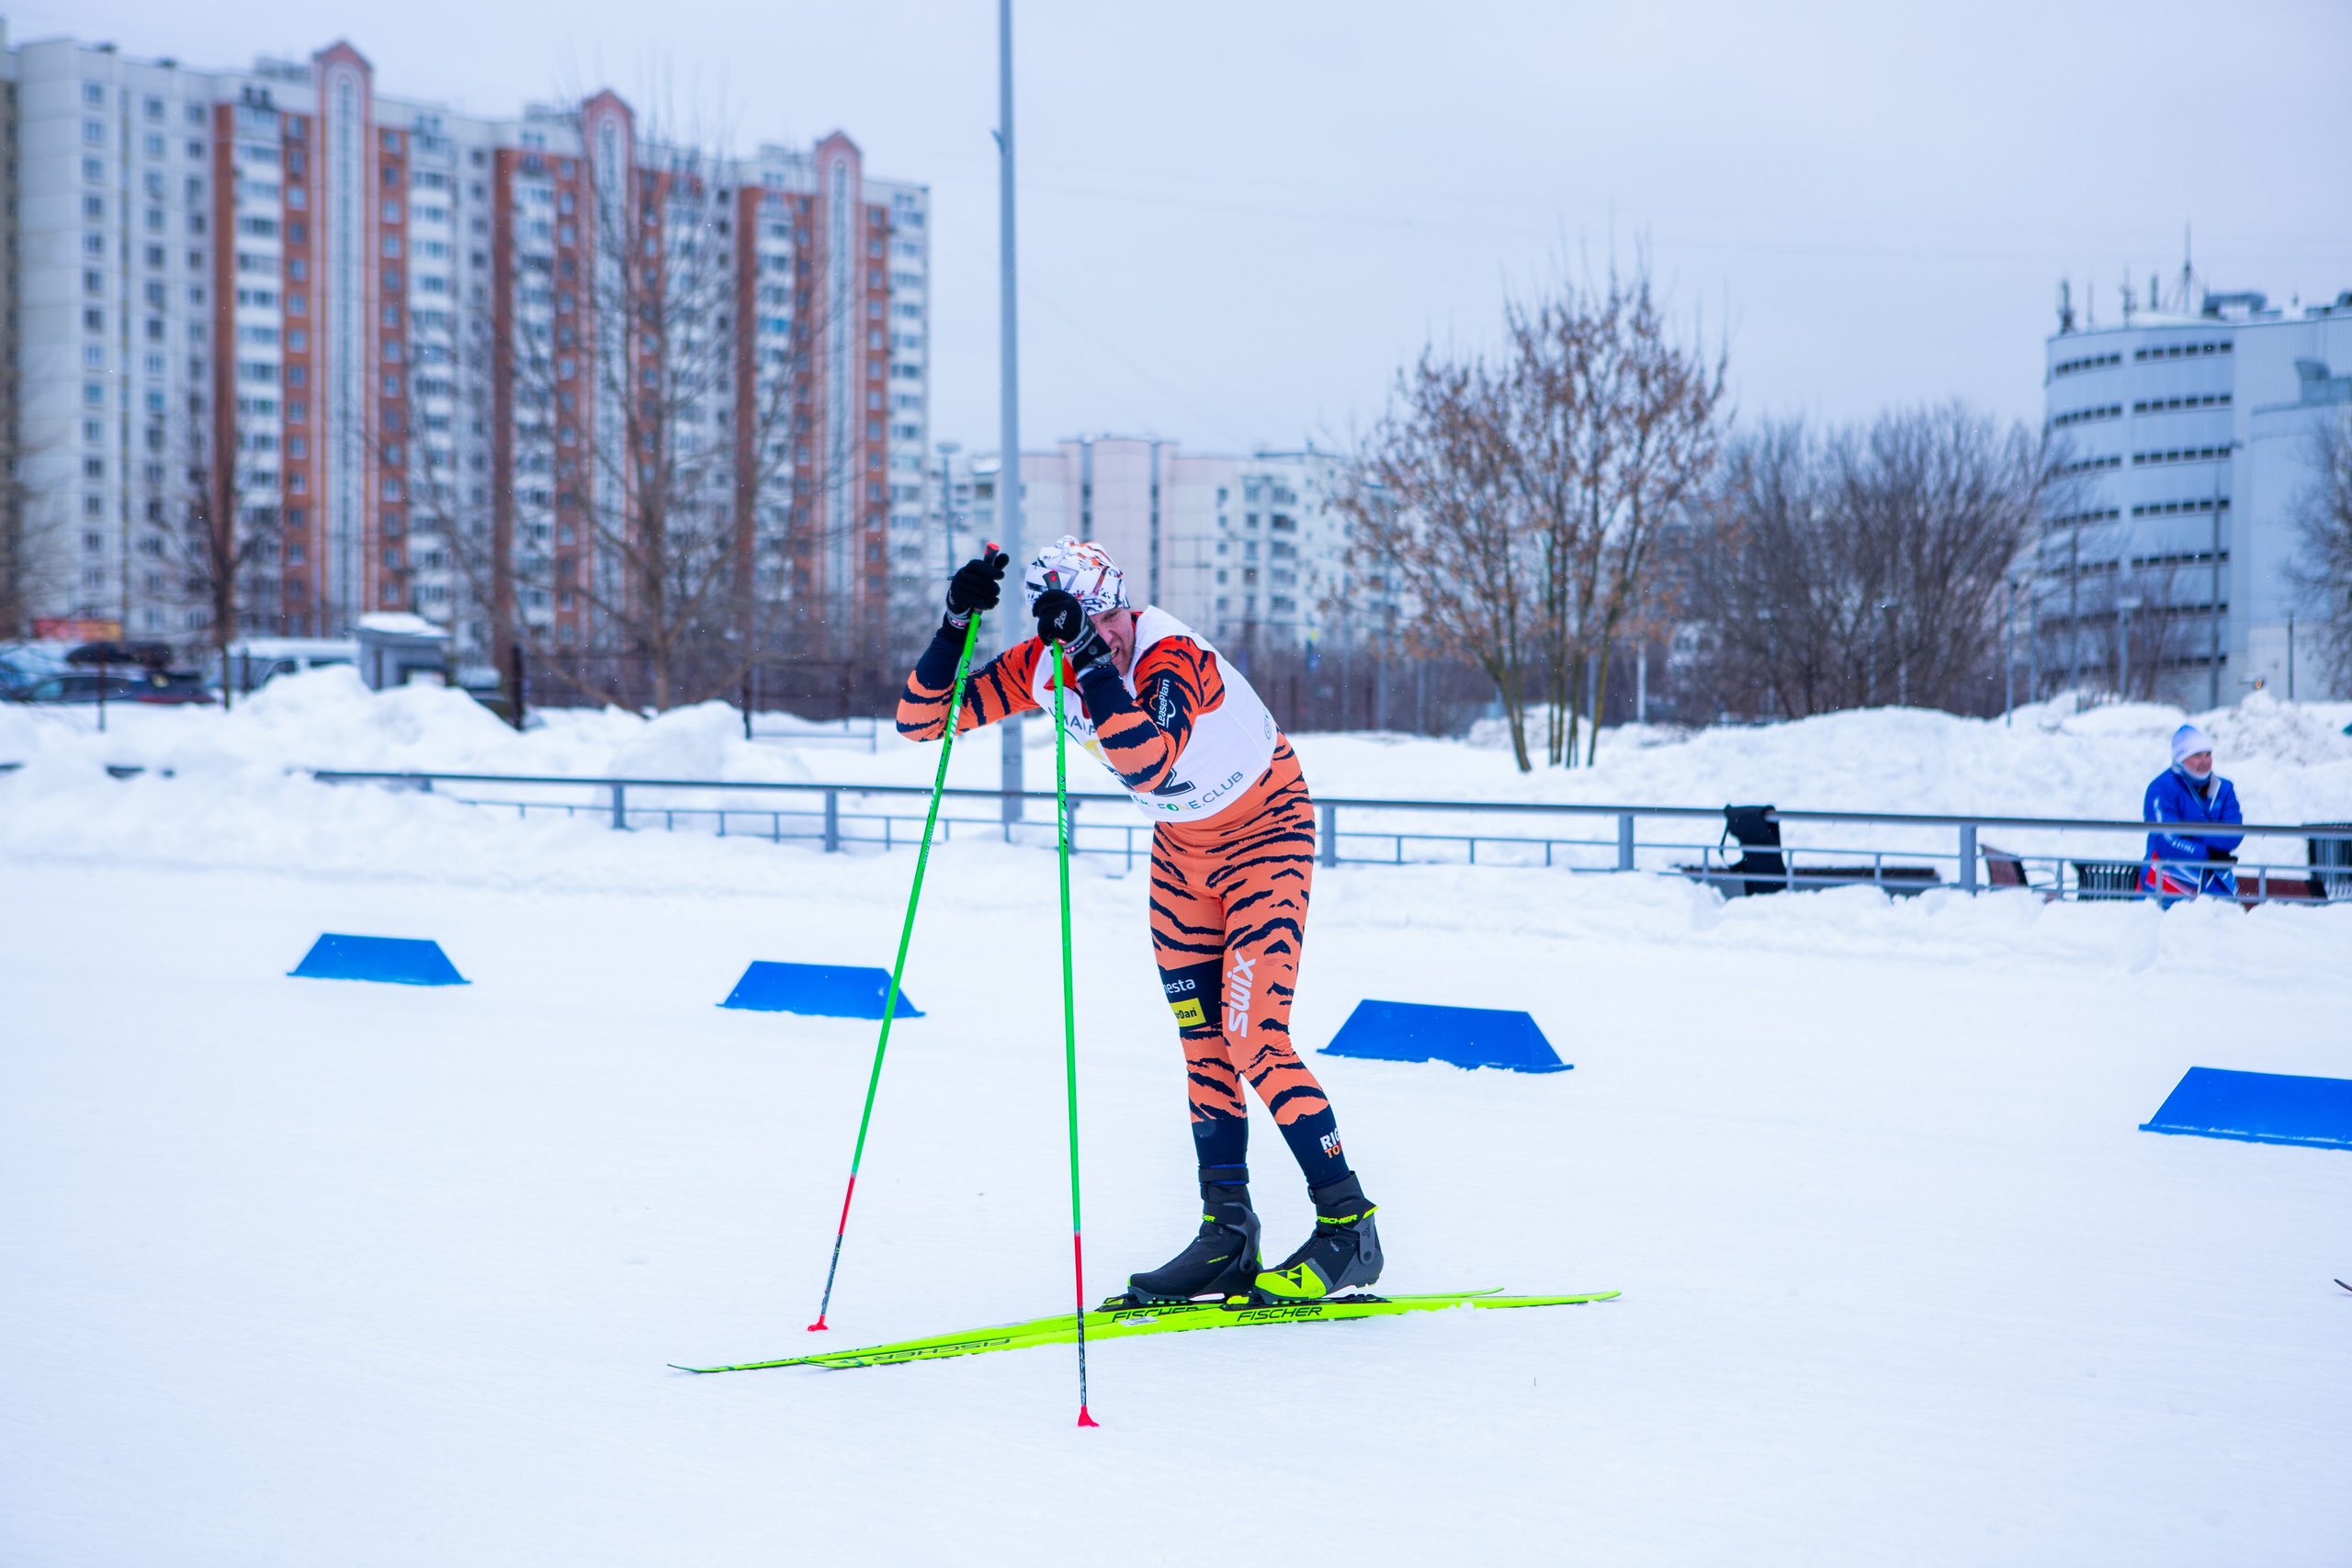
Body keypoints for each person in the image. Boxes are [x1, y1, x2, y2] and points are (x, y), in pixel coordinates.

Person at [896, 536, 1382, 1304]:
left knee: (1253, 1035)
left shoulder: (1171, 655)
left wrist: (1089, 655)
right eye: (1092, 623)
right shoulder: (1043, 665)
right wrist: (955, 623)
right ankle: (1227, 1232)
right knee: (1202, 1040)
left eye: (1114, 616)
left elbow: (1150, 759)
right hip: (1183, 855)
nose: (1112, 632)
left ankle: (1349, 1226)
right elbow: (921, 721)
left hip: (1266, 832)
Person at [2142, 723, 2243, 905]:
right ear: (2180, 758)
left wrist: (2190, 834)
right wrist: (2208, 853)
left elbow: (2234, 836)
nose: (2205, 762)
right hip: (2167, 885)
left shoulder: (2224, 788)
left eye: (2208, 755)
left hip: (2216, 882)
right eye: (2196, 756)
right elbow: (2166, 842)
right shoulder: (2161, 788)